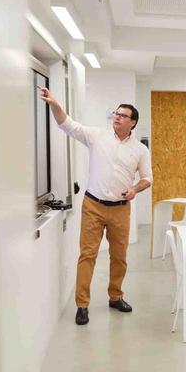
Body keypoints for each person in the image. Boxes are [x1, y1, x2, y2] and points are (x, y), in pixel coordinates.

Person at [39, 87, 152, 326]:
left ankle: (115, 296)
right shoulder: (96, 136)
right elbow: (67, 125)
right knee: (87, 255)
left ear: (132, 123)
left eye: (122, 115)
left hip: (121, 209)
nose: (117, 117)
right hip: (93, 205)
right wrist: (54, 104)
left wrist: (135, 189)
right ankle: (82, 305)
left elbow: (147, 178)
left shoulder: (140, 150)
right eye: (115, 114)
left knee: (119, 257)